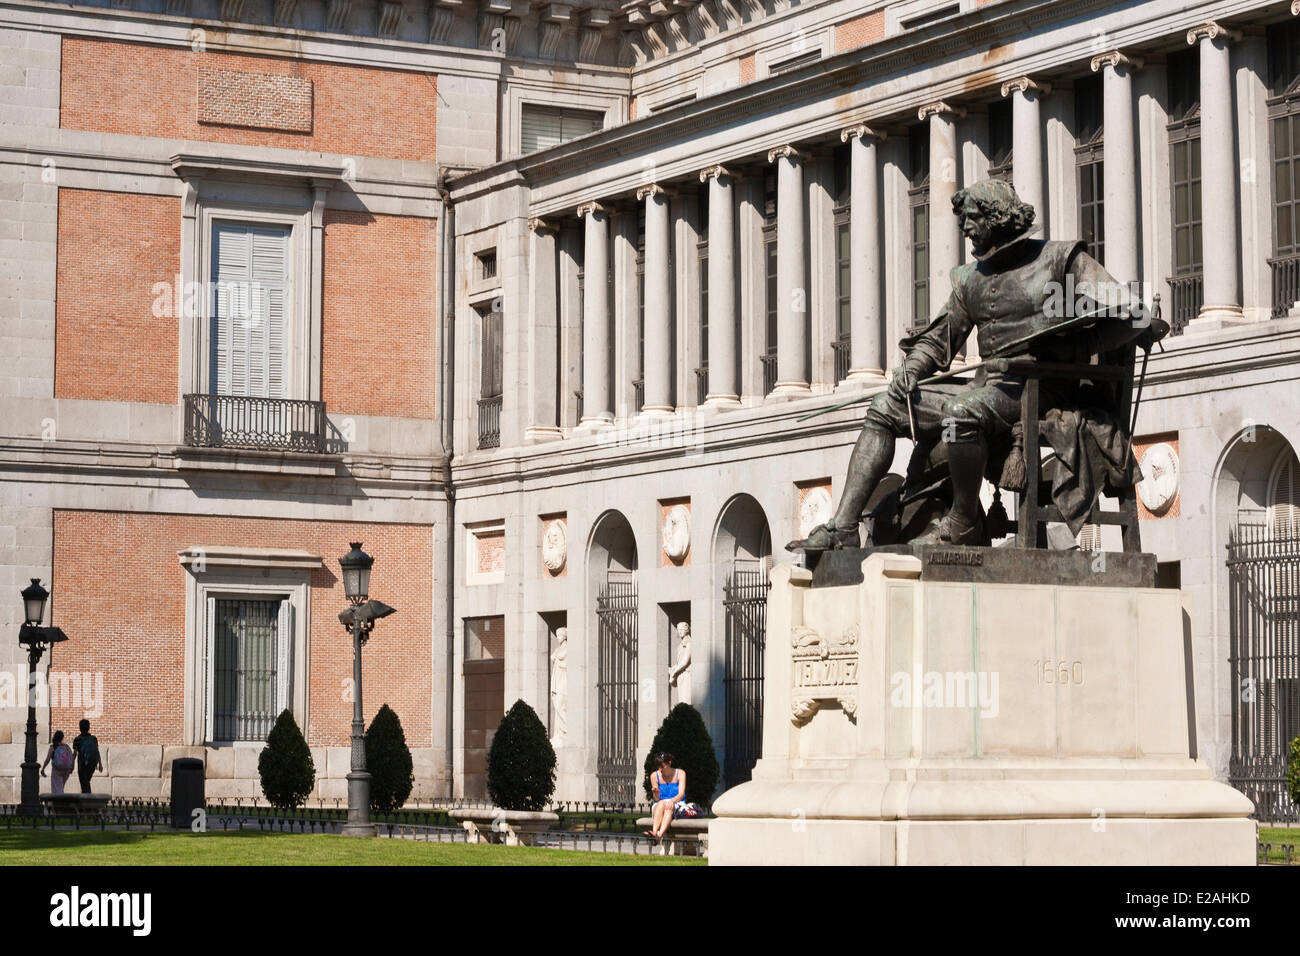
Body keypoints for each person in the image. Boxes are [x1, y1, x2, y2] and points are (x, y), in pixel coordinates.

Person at [789, 178, 1167, 551]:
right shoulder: (970, 278)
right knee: (884, 407)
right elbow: (940, 338)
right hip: (991, 388)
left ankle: (963, 522)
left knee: (960, 415)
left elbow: (1132, 314)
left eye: (972, 219)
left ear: (998, 219)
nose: (965, 228)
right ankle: (844, 527)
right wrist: (910, 371)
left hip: (1041, 389)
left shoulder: (1059, 259)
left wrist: (1082, 344)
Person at [646, 752, 686, 843]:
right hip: (659, 805)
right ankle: (655, 832)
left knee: (668, 808)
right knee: (661, 803)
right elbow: (657, 799)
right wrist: (655, 792)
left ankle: (658, 836)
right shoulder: (654, 776)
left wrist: (671, 801)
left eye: (662, 766)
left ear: (669, 763)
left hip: (677, 802)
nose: (660, 769)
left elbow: (681, 794)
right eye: (658, 766)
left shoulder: (680, 773)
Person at [72, 718, 103, 794]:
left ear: (80, 728)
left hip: (82, 765)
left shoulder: (77, 739)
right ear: (89, 728)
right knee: (86, 783)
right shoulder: (93, 739)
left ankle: (87, 802)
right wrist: (100, 764)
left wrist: (71, 765)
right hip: (92, 765)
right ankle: (86, 800)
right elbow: (97, 751)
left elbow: (75, 754)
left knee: (84, 784)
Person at [40, 730, 74, 795]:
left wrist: (43, 768)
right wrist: (71, 767)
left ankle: (59, 803)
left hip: (57, 770)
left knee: (57, 789)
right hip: (66, 770)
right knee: (61, 788)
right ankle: (62, 801)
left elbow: (48, 759)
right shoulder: (66, 747)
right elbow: (71, 757)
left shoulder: (53, 747)